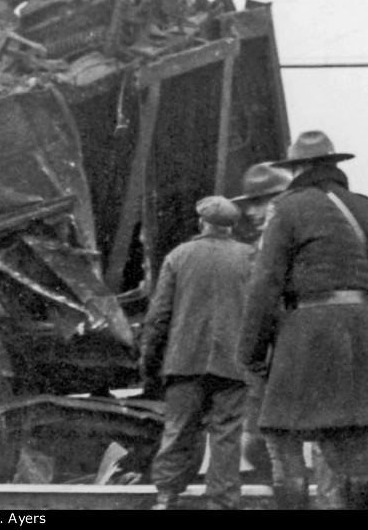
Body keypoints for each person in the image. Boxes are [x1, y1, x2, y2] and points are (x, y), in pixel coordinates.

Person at [239, 130, 368, 510]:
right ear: (334, 165)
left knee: (283, 439)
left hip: (306, 334)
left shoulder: (288, 209)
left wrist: (251, 352)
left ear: (298, 167)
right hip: (365, 335)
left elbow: (266, 285)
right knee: (353, 443)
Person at [140, 196, 254, 510]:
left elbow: (158, 317)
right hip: (232, 364)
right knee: (226, 435)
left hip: (184, 361)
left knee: (177, 430)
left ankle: (166, 497)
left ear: (201, 223)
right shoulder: (249, 257)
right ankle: (222, 502)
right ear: (231, 227)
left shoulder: (178, 256)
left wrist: (149, 362)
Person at [230, 163, 292, 484]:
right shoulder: (260, 247)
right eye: (249, 204)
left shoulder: (286, 242)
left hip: (284, 354)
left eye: (260, 202)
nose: (251, 212)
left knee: (270, 443)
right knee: (260, 443)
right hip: (266, 357)